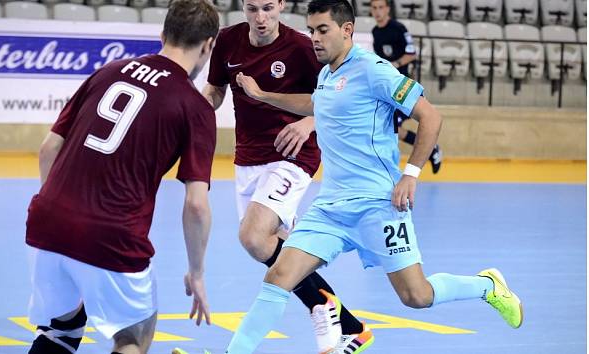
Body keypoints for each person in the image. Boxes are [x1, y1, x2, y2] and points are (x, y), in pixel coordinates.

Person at [220, 0, 523, 352]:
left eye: (322, 30)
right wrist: (263, 95)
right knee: (278, 277)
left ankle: (487, 286)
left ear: (347, 30)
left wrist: (410, 174)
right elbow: (316, 103)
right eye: (311, 30)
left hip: (377, 204)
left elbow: (430, 117)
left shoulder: (373, 69)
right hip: (330, 209)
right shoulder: (328, 73)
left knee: (417, 295)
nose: (314, 38)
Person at [24, 1, 219, 353]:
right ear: (208, 45)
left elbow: (48, 150)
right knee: (134, 336)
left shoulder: (108, 71)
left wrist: (62, 218)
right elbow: (196, 205)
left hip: (45, 223)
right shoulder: (195, 107)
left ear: (163, 35)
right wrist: (197, 272)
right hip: (112, 236)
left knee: (60, 330)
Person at [195, 0, 372, 353]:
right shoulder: (228, 41)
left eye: (268, 8)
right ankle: (349, 325)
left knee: (252, 234)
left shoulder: (302, 48)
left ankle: (317, 315)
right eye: (252, 8)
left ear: (281, 5)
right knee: (268, 246)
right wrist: (192, 110)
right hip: (248, 158)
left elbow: (334, 97)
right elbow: (215, 90)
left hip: (292, 155)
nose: (261, 18)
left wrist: (310, 122)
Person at [370, 0, 442, 174]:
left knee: (393, 128)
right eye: (374, 8)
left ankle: (423, 154)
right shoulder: (375, 32)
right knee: (394, 128)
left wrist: (395, 64)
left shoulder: (398, 28)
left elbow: (411, 54)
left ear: (387, 9)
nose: (378, 11)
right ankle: (432, 149)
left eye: (381, 7)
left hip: (402, 88)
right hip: (387, 89)